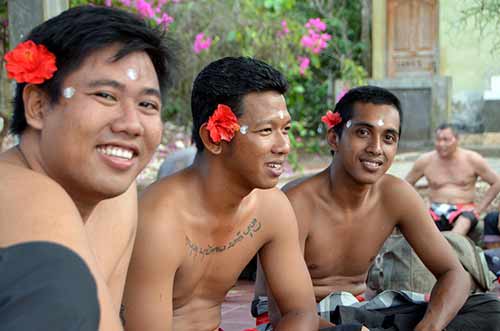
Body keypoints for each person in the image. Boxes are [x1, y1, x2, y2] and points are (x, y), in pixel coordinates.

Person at [254, 86, 500, 331]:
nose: (376, 148)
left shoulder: (396, 194)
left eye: (388, 138)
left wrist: (429, 327)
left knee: (489, 310)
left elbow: (453, 273)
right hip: (303, 320)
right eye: (363, 132)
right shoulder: (296, 202)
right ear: (334, 138)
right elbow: (283, 314)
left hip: (362, 313)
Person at [0, 5, 177, 330]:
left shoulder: (117, 200)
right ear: (38, 106)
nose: (132, 124)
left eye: (147, 104)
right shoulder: (26, 193)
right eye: (106, 95)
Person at [123, 57, 318, 331]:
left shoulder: (271, 207)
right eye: (266, 130)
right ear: (215, 138)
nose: (284, 145)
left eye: (285, 129)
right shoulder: (158, 221)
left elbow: (300, 312)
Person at [406, 123, 500, 236]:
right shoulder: (425, 160)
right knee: (421, 225)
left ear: (457, 139)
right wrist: (420, 203)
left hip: (463, 209)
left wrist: (479, 209)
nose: (441, 144)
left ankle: (450, 248)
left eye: (446, 140)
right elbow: (406, 183)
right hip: (434, 209)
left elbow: (496, 182)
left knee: (464, 222)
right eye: (438, 140)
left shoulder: (472, 159)